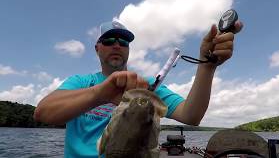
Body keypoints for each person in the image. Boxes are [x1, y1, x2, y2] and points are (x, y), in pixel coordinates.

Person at [33, 19, 243, 157]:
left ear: (129, 50)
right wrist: (100, 94)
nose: (117, 45)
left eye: (123, 42)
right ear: (97, 48)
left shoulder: (147, 88)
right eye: (109, 40)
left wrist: (207, 66)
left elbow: (191, 115)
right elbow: (42, 113)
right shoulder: (80, 83)